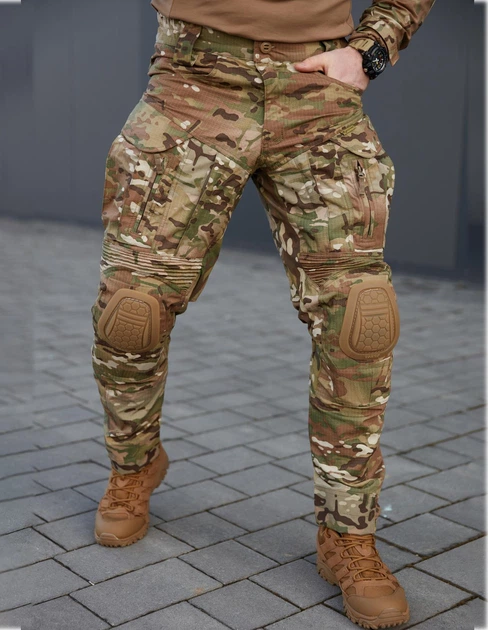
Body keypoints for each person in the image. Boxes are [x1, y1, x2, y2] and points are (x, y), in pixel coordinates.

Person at [91, 0, 435, 627]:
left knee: (360, 320)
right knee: (131, 311)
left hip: (316, 93)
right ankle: (133, 465)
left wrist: (371, 49)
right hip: (192, 82)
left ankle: (347, 533)